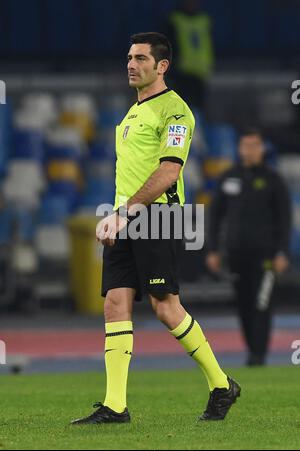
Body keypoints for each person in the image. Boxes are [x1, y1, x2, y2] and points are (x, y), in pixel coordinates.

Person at [71, 32, 240, 425]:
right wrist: (119, 213)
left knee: (166, 309)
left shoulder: (176, 111)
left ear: (161, 66)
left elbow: (169, 172)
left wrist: (124, 212)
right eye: (129, 57)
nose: (131, 64)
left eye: (141, 58)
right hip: (126, 216)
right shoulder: (131, 113)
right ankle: (115, 406)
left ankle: (221, 385)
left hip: (157, 217)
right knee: (114, 303)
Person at [206, 128, 291, 366]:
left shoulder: (274, 180)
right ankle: (252, 350)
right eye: (245, 145)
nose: (250, 150)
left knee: (261, 303)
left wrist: (282, 251)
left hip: (265, 255)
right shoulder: (228, 178)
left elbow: (284, 219)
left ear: (262, 148)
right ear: (239, 148)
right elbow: (215, 216)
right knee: (243, 304)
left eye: (254, 145)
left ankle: (258, 355)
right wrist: (213, 249)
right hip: (236, 253)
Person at [164, 0, 214, 109]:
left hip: (201, 72)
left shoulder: (204, 20)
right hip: (182, 73)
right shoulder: (174, 20)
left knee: (199, 109)